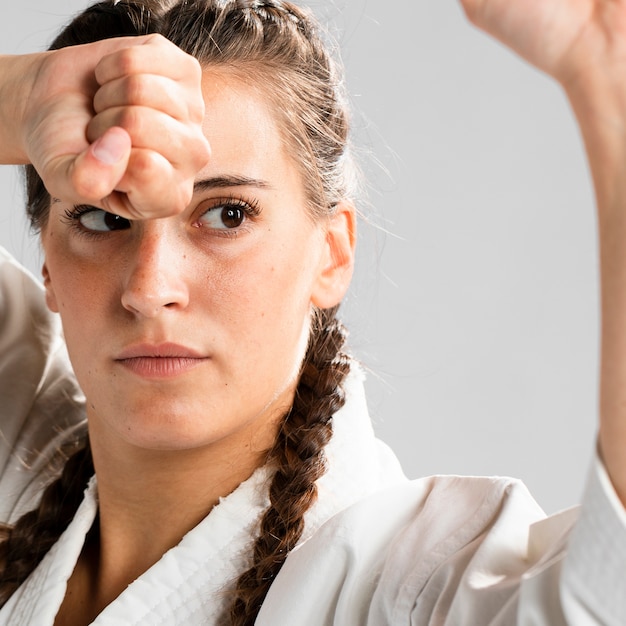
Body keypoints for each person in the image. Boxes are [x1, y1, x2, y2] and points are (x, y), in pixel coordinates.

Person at [0, 0, 624, 624]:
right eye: (104, 217)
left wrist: (612, 86)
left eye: (227, 214)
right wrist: (17, 98)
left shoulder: (412, 585)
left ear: (332, 252)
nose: (150, 286)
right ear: (47, 260)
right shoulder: (15, 435)